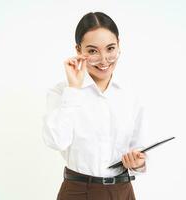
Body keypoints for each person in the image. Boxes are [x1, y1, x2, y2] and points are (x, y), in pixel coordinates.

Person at [42, 11, 148, 200]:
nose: (104, 59)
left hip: (122, 191)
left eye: (110, 48)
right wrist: (74, 89)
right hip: (78, 191)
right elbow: (56, 141)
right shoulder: (62, 92)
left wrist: (138, 163)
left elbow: (138, 149)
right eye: (92, 51)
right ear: (78, 50)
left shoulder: (130, 96)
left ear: (119, 46)